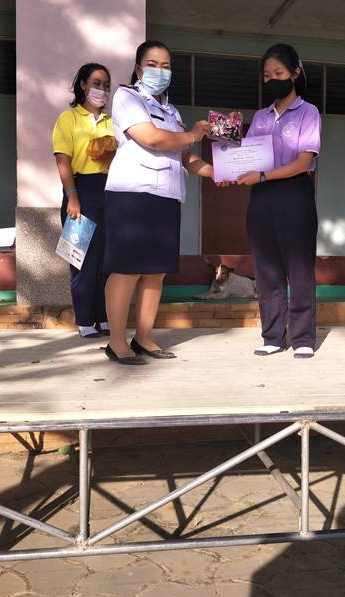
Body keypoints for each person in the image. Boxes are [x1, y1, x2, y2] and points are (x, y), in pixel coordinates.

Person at [104, 40, 213, 365]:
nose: (160, 71)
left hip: (166, 196)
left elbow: (185, 157)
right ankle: (116, 342)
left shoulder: (172, 111)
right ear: (139, 69)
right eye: (152, 64)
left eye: (166, 66)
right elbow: (151, 138)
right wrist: (193, 134)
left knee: (155, 273)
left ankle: (144, 337)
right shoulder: (127, 97)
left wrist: (219, 173)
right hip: (132, 194)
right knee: (127, 270)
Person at [235, 43, 322, 359]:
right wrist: (229, 132)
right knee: (266, 268)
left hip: (295, 194)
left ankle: (302, 337)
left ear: (295, 74)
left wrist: (261, 176)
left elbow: (302, 163)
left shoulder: (308, 112)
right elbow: (245, 158)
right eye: (267, 75)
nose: (272, 79)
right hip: (261, 197)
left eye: (279, 73)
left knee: (299, 268)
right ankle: (272, 336)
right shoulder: (260, 117)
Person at [52, 62, 117, 338]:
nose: (102, 90)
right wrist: (72, 196)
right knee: (82, 260)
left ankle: (103, 316)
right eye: (96, 84)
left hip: (110, 190)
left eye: (106, 85)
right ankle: (85, 320)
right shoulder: (68, 118)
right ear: (83, 85)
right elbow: (62, 160)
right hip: (81, 189)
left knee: (107, 260)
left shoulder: (113, 122)